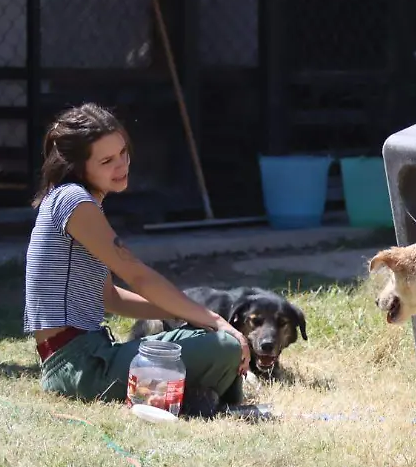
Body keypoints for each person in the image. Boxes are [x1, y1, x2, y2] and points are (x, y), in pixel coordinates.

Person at [23, 103, 250, 417]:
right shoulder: (73, 200)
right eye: (106, 160)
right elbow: (136, 274)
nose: (121, 165)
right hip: (80, 367)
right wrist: (212, 318)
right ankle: (199, 397)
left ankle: (199, 396)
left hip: (85, 360)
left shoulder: (79, 202)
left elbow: (110, 297)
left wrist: (194, 316)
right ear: (76, 166)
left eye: (123, 153)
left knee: (212, 338)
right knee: (222, 345)